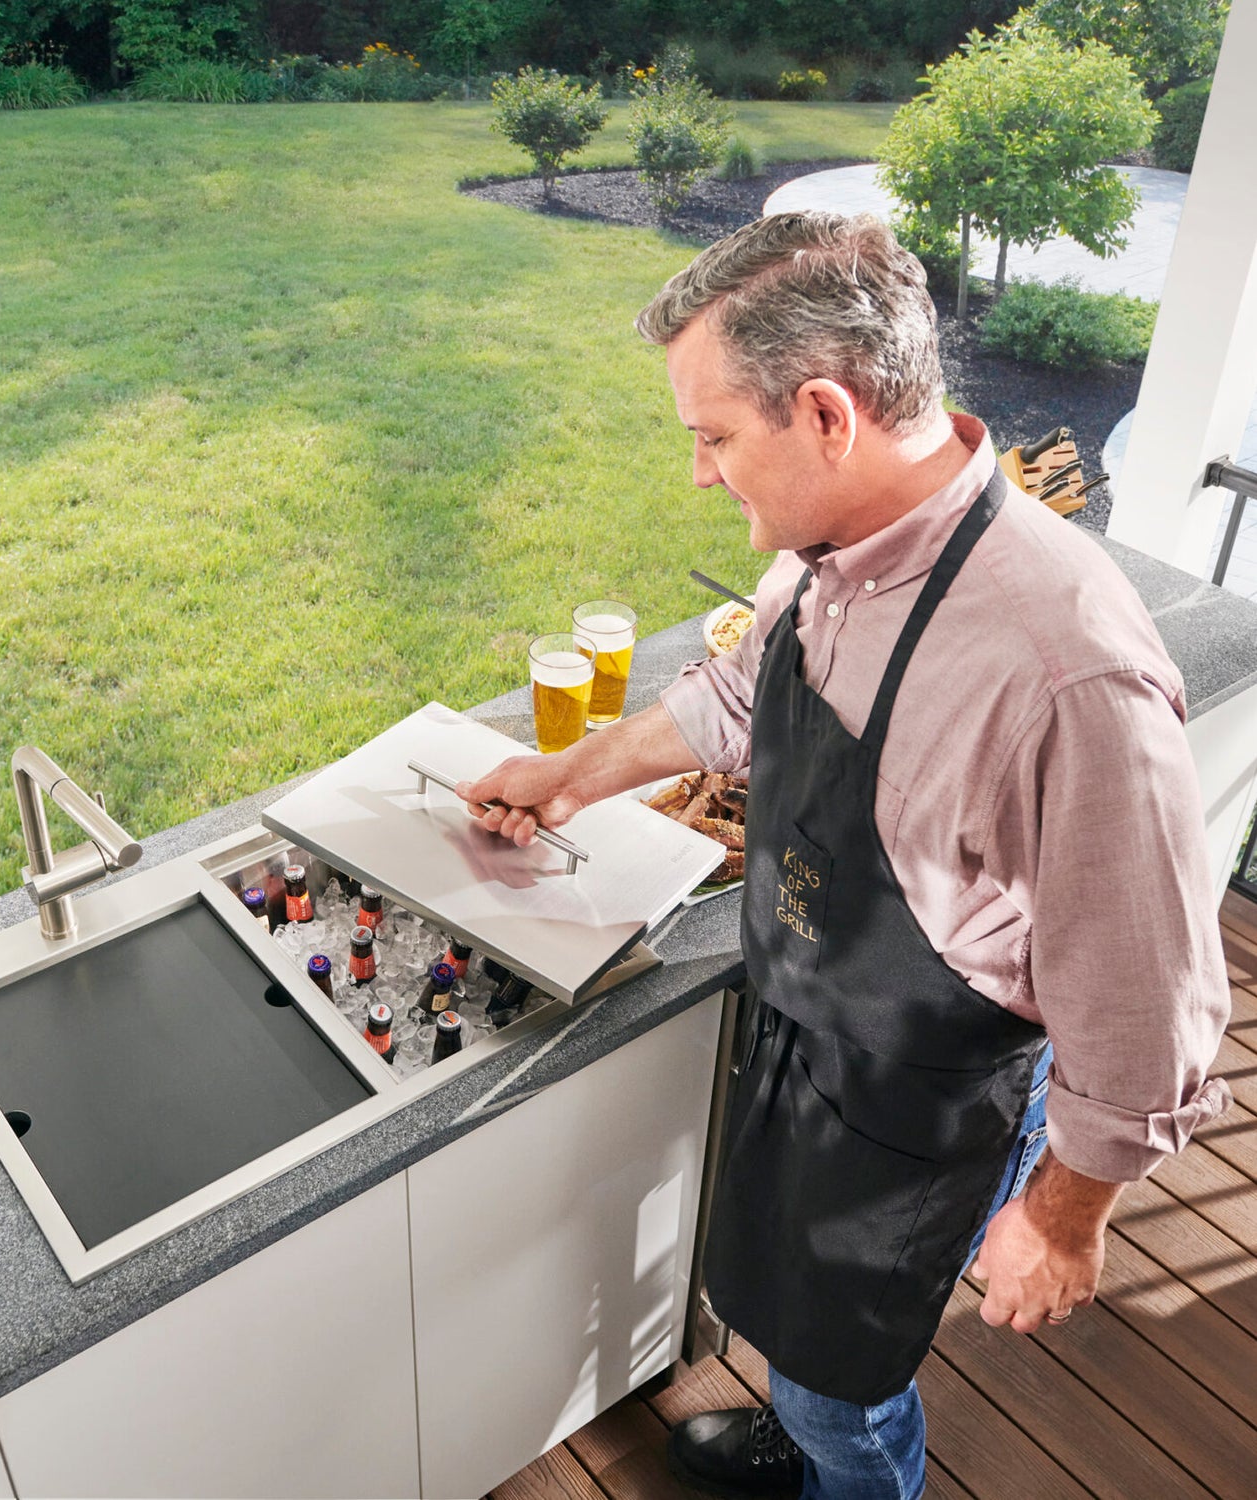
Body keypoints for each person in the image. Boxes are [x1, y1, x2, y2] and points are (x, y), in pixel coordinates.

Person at [456, 212, 1231, 1500]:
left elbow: (1150, 1015)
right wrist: (570, 773)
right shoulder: (836, 557)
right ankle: (812, 1433)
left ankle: (846, 1467)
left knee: (840, 1377)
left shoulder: (1062, 673)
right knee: (785, 1309)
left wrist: (1062, 1218)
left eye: (714, 437)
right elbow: (743, 696)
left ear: (826, 413)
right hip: (807, 1028)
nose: (699, 475)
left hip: (924, 1098)